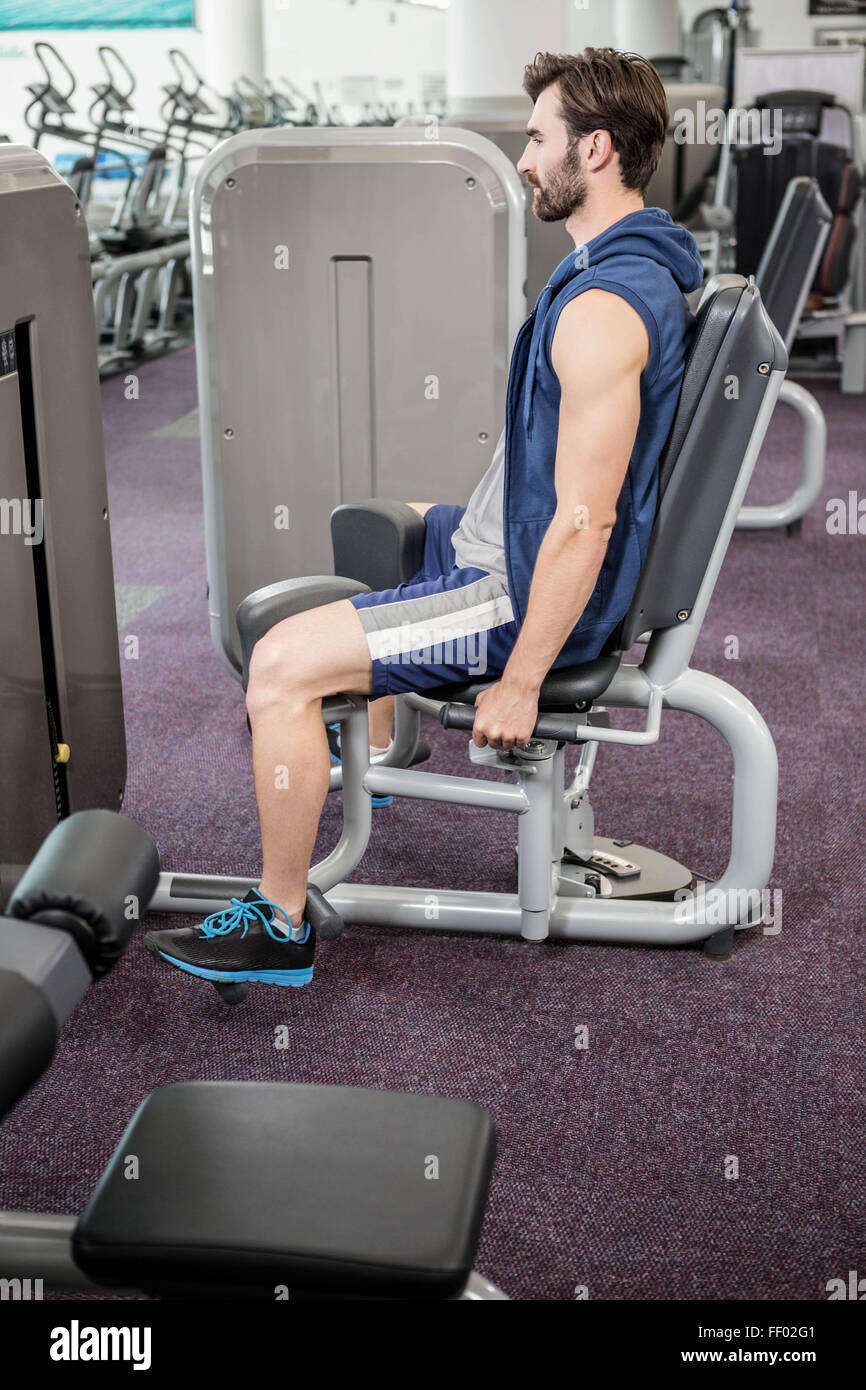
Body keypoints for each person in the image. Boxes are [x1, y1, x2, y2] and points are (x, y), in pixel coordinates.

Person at [145, 47, 703, 989]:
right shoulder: (628, 261)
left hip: (515, 587)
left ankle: (279, 925)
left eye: (538, 139)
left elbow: (584, 521)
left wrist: (523, 676)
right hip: (502, 542)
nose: (524, 159)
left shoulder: (604, 309)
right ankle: (366, 746)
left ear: (595, 149)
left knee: (278, 663)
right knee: (372, 521)